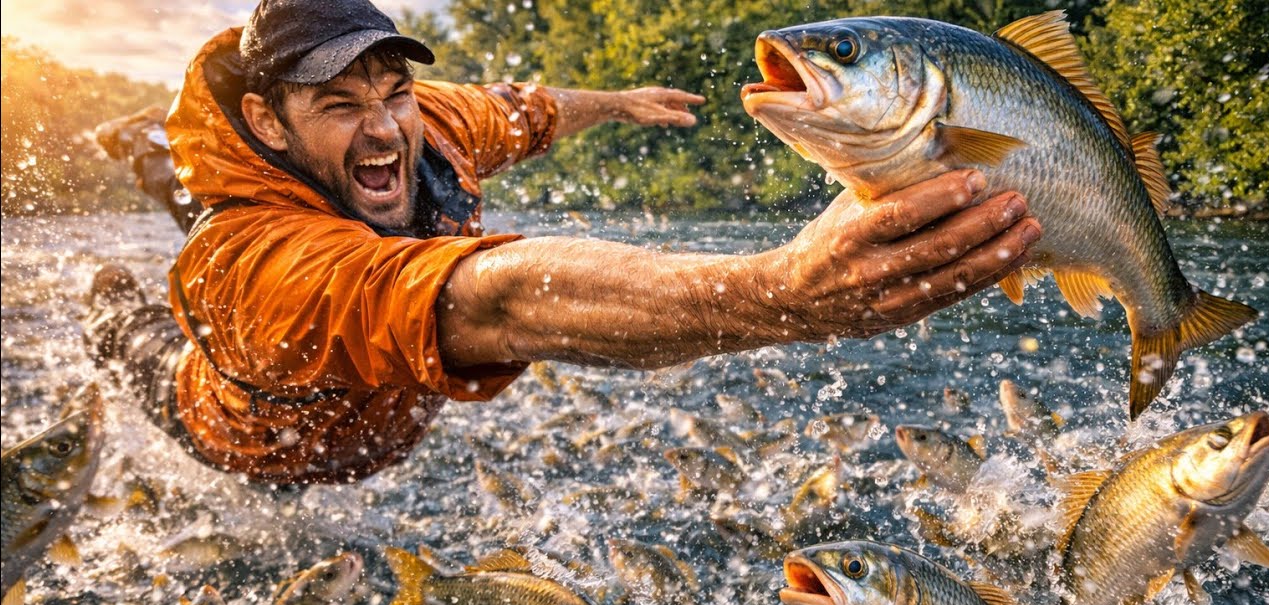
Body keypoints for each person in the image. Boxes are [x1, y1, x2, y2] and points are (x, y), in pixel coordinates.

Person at [86, 0, 1041, 485]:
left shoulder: (420, 127)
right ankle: (112, 271)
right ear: (266, 118)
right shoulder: (257, 270)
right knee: (126, 336)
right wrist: (773, 290)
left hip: (359, 375)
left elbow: (526, 111)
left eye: (392, 97)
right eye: (337, 106)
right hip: (254, 444)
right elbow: (492, 298)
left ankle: (164, 161)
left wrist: (619, 102)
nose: (382, 130)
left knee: (386, 158)